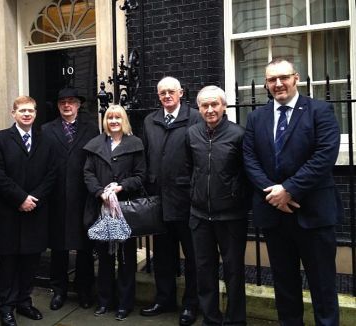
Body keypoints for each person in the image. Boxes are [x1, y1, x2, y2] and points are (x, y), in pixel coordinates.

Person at [243, 57, 342, 325]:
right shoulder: (256, 117)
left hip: (314, 214)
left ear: (295, 78)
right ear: (265, 83)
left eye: (283, 77)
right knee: (285, 287)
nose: (278, 84)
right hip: (275, 217)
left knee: (323, 287)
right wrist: (274, 194)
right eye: (272, 80)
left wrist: (289, 189)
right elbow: (250, 159)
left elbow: (324, 156)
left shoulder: (319, 110)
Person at [0, 96, 56, 326]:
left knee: (30, 262)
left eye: (31, 111)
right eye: (22, 110)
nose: (27, 114)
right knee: (8, 264)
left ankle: (24, 302)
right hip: (8, 212)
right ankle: (6, 307)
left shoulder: (46, 141)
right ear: (13, 113)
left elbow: (52, 174)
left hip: (36, 211)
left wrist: (33, 198)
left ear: (36, 114)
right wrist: (21, 198)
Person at [140, 76, 200, 326]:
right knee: (162, 255)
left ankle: (191, 304)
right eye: (162, 92)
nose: (166, 96)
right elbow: (145, 155)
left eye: (171, 92)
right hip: (159, 199)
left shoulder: (195, 117)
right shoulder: (150, 120)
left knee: (193, 256)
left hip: (186, 199)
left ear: (181, 93)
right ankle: (164, 299)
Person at [186, 85, 248, 325]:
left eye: (215, 104)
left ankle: (236, 321)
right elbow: (190, 168)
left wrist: (235, 196)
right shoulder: (191, 134)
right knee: (204, 271)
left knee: (234, 273)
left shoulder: (238, 134)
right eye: (205, 105)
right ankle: (211, 319)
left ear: (224, 106)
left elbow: (246, 173)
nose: (210, 109)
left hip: (231, 217)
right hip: (200, 216)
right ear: (199, 109)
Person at [83, 104, 145, 321]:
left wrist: (121, 186)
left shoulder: (135, 144)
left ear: (124, 120)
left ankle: (125, 304)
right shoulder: (96, 145)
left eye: (118, 117)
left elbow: (140, 175)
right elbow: (88, 174)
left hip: (124, 209)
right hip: (101, 209)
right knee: (104, 257)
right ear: (105, 121)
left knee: (126, 258)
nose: (114, 121)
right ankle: (104, 301)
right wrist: (100, 192)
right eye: (110, 117)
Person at [41, 87, 99, 310]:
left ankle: (84, 289)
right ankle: (59, 290)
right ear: (58, 106)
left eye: (71, 101)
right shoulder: (46, 130)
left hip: (84, 196)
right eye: (63, 102)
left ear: (78, 105)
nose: (67, 105)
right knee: (59, 247)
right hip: (56, 197)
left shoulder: (91, 129)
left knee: (85, 247)